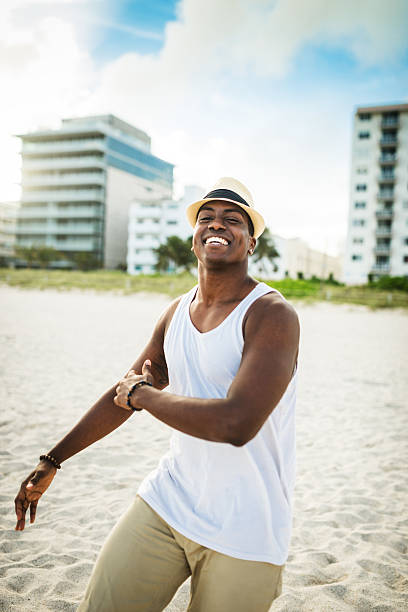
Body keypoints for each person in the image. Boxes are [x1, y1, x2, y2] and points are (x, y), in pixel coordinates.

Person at [14, 177, 299, 612]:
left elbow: (236, 424)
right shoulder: (176, 313)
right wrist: (51, 459)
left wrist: (144, 396)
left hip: (246, 527)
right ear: (193, 239)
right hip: (169, 500)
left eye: (232, 220)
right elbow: (122, 393)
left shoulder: (271, 314)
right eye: (206, 218)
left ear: (251, 242)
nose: (216, 225)